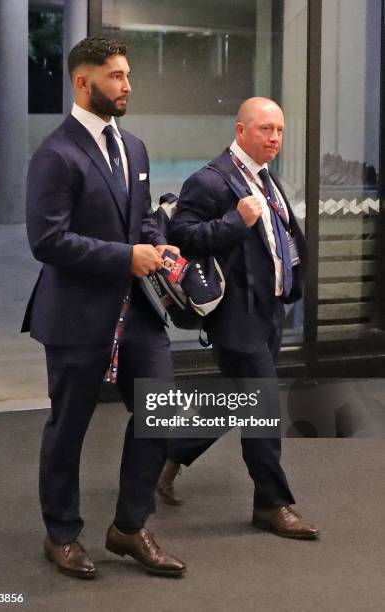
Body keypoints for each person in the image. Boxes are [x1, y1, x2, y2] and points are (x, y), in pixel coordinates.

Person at [21, 37, 185, 578]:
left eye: (128, 74)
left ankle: (129, 527)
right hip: (75, 316)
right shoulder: (55, 155)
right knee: (69, 428)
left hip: (135, 311)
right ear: (82, 81)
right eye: (115, 76)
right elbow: (47, 242)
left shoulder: (133, 147)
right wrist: (125, 256)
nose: (127, 85)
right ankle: (61, 534)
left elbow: (137, 220)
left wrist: (154, 245)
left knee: (160, 410)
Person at [157, 97, 319, 540]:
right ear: (241, 130)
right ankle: (272, 505)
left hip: (268, 310)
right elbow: (181, 238)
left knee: (239, 399)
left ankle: (168, 455)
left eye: (280, 131)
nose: (274, 139)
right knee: (263, 407)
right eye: (266, 129)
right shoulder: (210, 181)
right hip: (235, 317)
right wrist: (234, 221)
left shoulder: (265, 178)